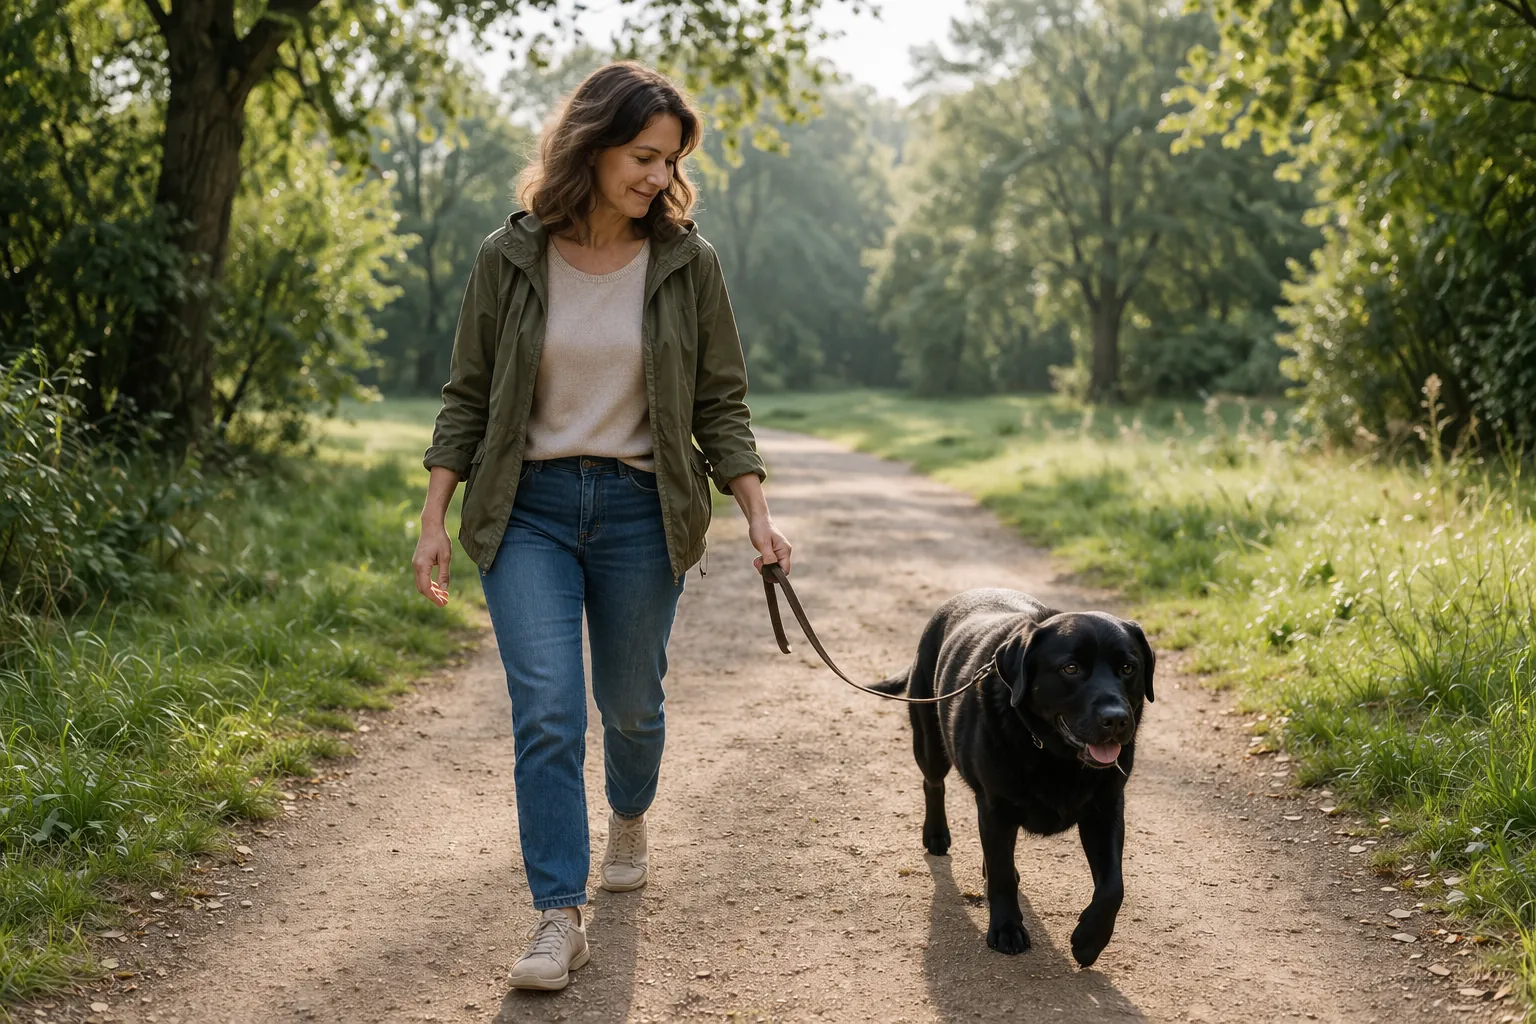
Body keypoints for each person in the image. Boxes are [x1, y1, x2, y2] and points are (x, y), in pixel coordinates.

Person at [410, 61, 792, 992]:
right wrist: (433, 518)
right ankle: (558, 915)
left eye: (671, 161)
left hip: (639, 511)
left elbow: (720, 403)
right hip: (527, 510)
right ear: (591, 146)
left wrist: (758, 516)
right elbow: (467, 397)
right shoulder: (509, 258)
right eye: (643, 156)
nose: (659, 177)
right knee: (547, 711)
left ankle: (630, 813)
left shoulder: (688, 264)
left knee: (631, 706)